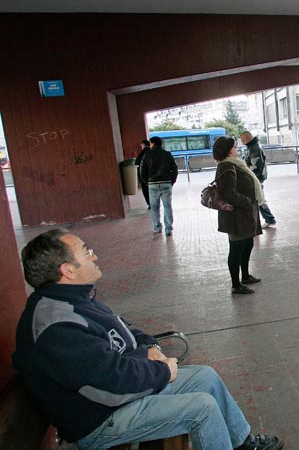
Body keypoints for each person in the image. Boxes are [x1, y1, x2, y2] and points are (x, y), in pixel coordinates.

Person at [12, 228, 284, 450]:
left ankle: (241, 442)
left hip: (119, 396)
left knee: (207, 377)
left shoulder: (76, 299)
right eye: (86, 252)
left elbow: (125, 331)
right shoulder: (56, 326)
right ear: (67, 270)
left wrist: (151, 347)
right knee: (201, 408)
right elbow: (109, 384)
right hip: (101, 421)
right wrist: (161, 371)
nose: (94, 256)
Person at [213, 136, 263, 295]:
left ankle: (246, 276)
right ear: (228, 151)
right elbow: (229, 194)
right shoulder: (226, 167)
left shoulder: (235, 164)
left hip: (244, 215)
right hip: (236, 216)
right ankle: (236, 285)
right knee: (236, 249)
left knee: (247, 245)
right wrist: (248, 202)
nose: (237, 149)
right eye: (234, 147)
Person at [140, 136, 178, 236]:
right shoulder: (167, 154)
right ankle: (168, 229)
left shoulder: (147, 155)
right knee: (167, 206)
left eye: (150, 143)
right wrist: (171, 181)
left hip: (152, 184)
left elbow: (142, 170)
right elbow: (174, 169)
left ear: (152, 144)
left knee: (154, 207)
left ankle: (157, 227)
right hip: (166, 183)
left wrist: (146, 182)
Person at [239, 131, 277, 227]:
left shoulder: (254, 149)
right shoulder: (252, 147)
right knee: (259, 198)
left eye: (243, 140)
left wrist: (247, 174)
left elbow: (255, 166)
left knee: (258, 199)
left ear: (247, 138)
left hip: (255, 177)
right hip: (255, 177)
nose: (242, 142)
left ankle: (268, 219)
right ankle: (268, 218)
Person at [135, 139, 151, 209]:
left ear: (144, 145)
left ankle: (150, 204)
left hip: (144, 176)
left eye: (141, 145)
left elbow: (137, 163)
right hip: (152, 175)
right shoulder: (151, 151)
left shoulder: (143, 153)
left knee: (146, 190)